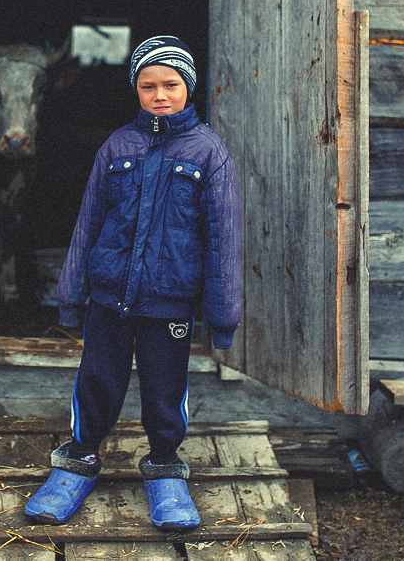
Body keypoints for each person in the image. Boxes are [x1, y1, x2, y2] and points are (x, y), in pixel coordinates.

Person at [24, 36, 242, 529]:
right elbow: (87, 223)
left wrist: (222, 316)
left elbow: (223, 240)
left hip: (170, 302)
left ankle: (165, 468)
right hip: (109, 297)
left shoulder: (210, 153)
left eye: (171, 84)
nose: (160, 95)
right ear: (136, 90)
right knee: (98, 378)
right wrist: (70, 297)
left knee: (165, 388)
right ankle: (77, 462)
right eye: (148, 86)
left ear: (189, 86)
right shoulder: (117, 145)